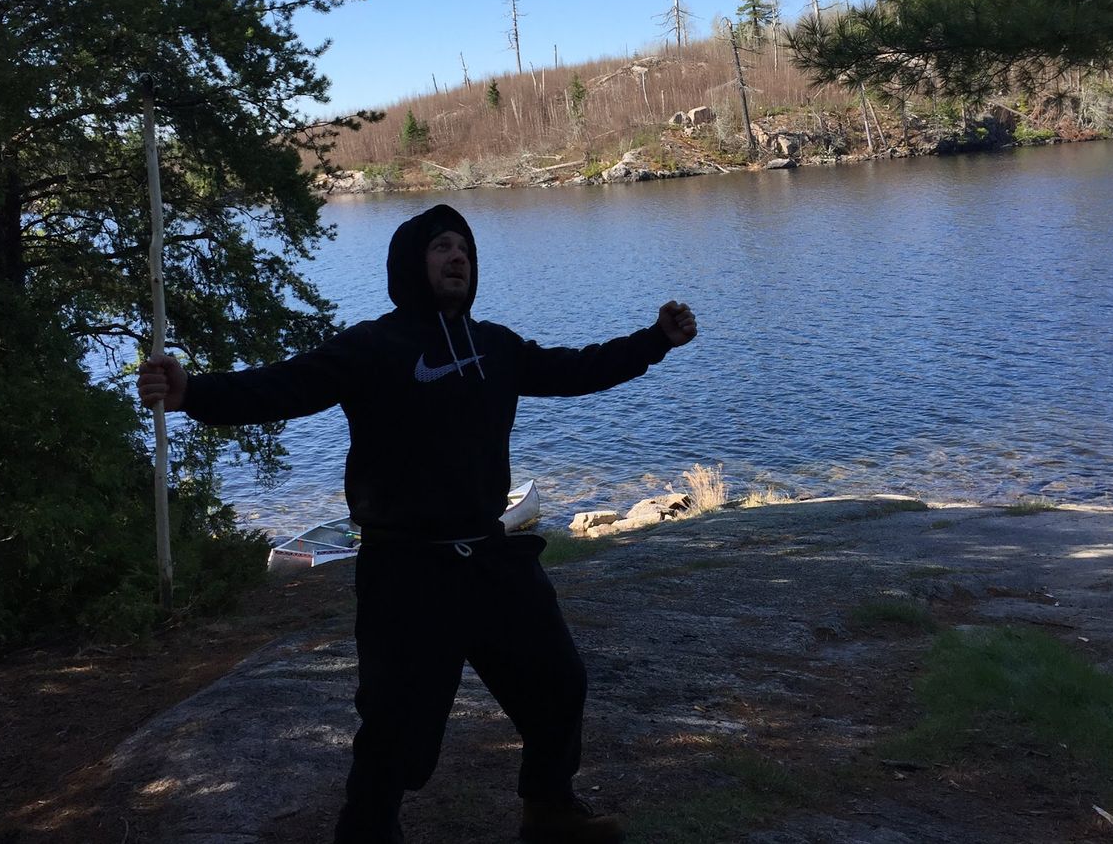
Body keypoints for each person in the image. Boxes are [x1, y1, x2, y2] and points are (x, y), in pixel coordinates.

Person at [137, 203, 697, 844]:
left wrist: (654, 341)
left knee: (558, 683)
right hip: (404, 569)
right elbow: (285, 386)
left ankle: (549, 810)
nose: (457, 257)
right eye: (441, 247)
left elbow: (577, 369)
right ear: (410, 264)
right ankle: (367, 833)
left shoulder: (496, 347)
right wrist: (193, 393)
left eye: (464, 249)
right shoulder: (372, 347)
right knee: (396, 727)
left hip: (489, 555)